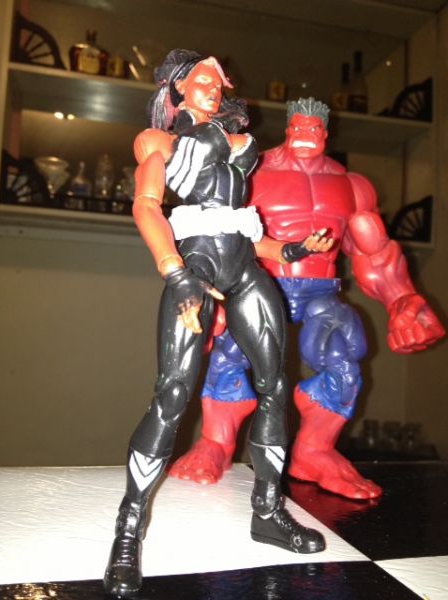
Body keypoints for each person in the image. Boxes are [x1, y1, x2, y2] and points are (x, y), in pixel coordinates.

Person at [104, 54, 331, 598]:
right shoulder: (159, 141)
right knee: (172, 394)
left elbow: (242, 228)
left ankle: (267, 512)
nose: (212, 86)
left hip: (244, 266)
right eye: (200, 79)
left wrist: (292, 249)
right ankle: (128, 530)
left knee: (275, 385)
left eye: (217, 80)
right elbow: (146, 206)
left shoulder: (236, 143)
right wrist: (176, 273)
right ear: (177, 89)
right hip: (196, 267)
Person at [169, 97, 445, 500]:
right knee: (230, 355)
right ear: (287, 128)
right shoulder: (252, 170)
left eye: (313, 129)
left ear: (325, 133)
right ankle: (215, 443)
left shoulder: (351, 185)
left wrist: (402, 299)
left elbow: (372, 250)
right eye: (297, 127)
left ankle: (315, 452)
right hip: (259, 282)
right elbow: (217, 228)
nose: (304, 135)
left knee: (344, 359)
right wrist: (209, 289)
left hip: (321, 290)